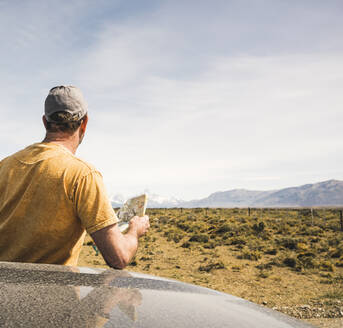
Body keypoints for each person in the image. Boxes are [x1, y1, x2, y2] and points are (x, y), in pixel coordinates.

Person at [0, 85, 150, 269]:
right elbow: (118, 257)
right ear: (84, 123)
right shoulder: (83, 175)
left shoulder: (5, 165)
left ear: (45, 122)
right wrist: (135, 230)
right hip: (53, 295)